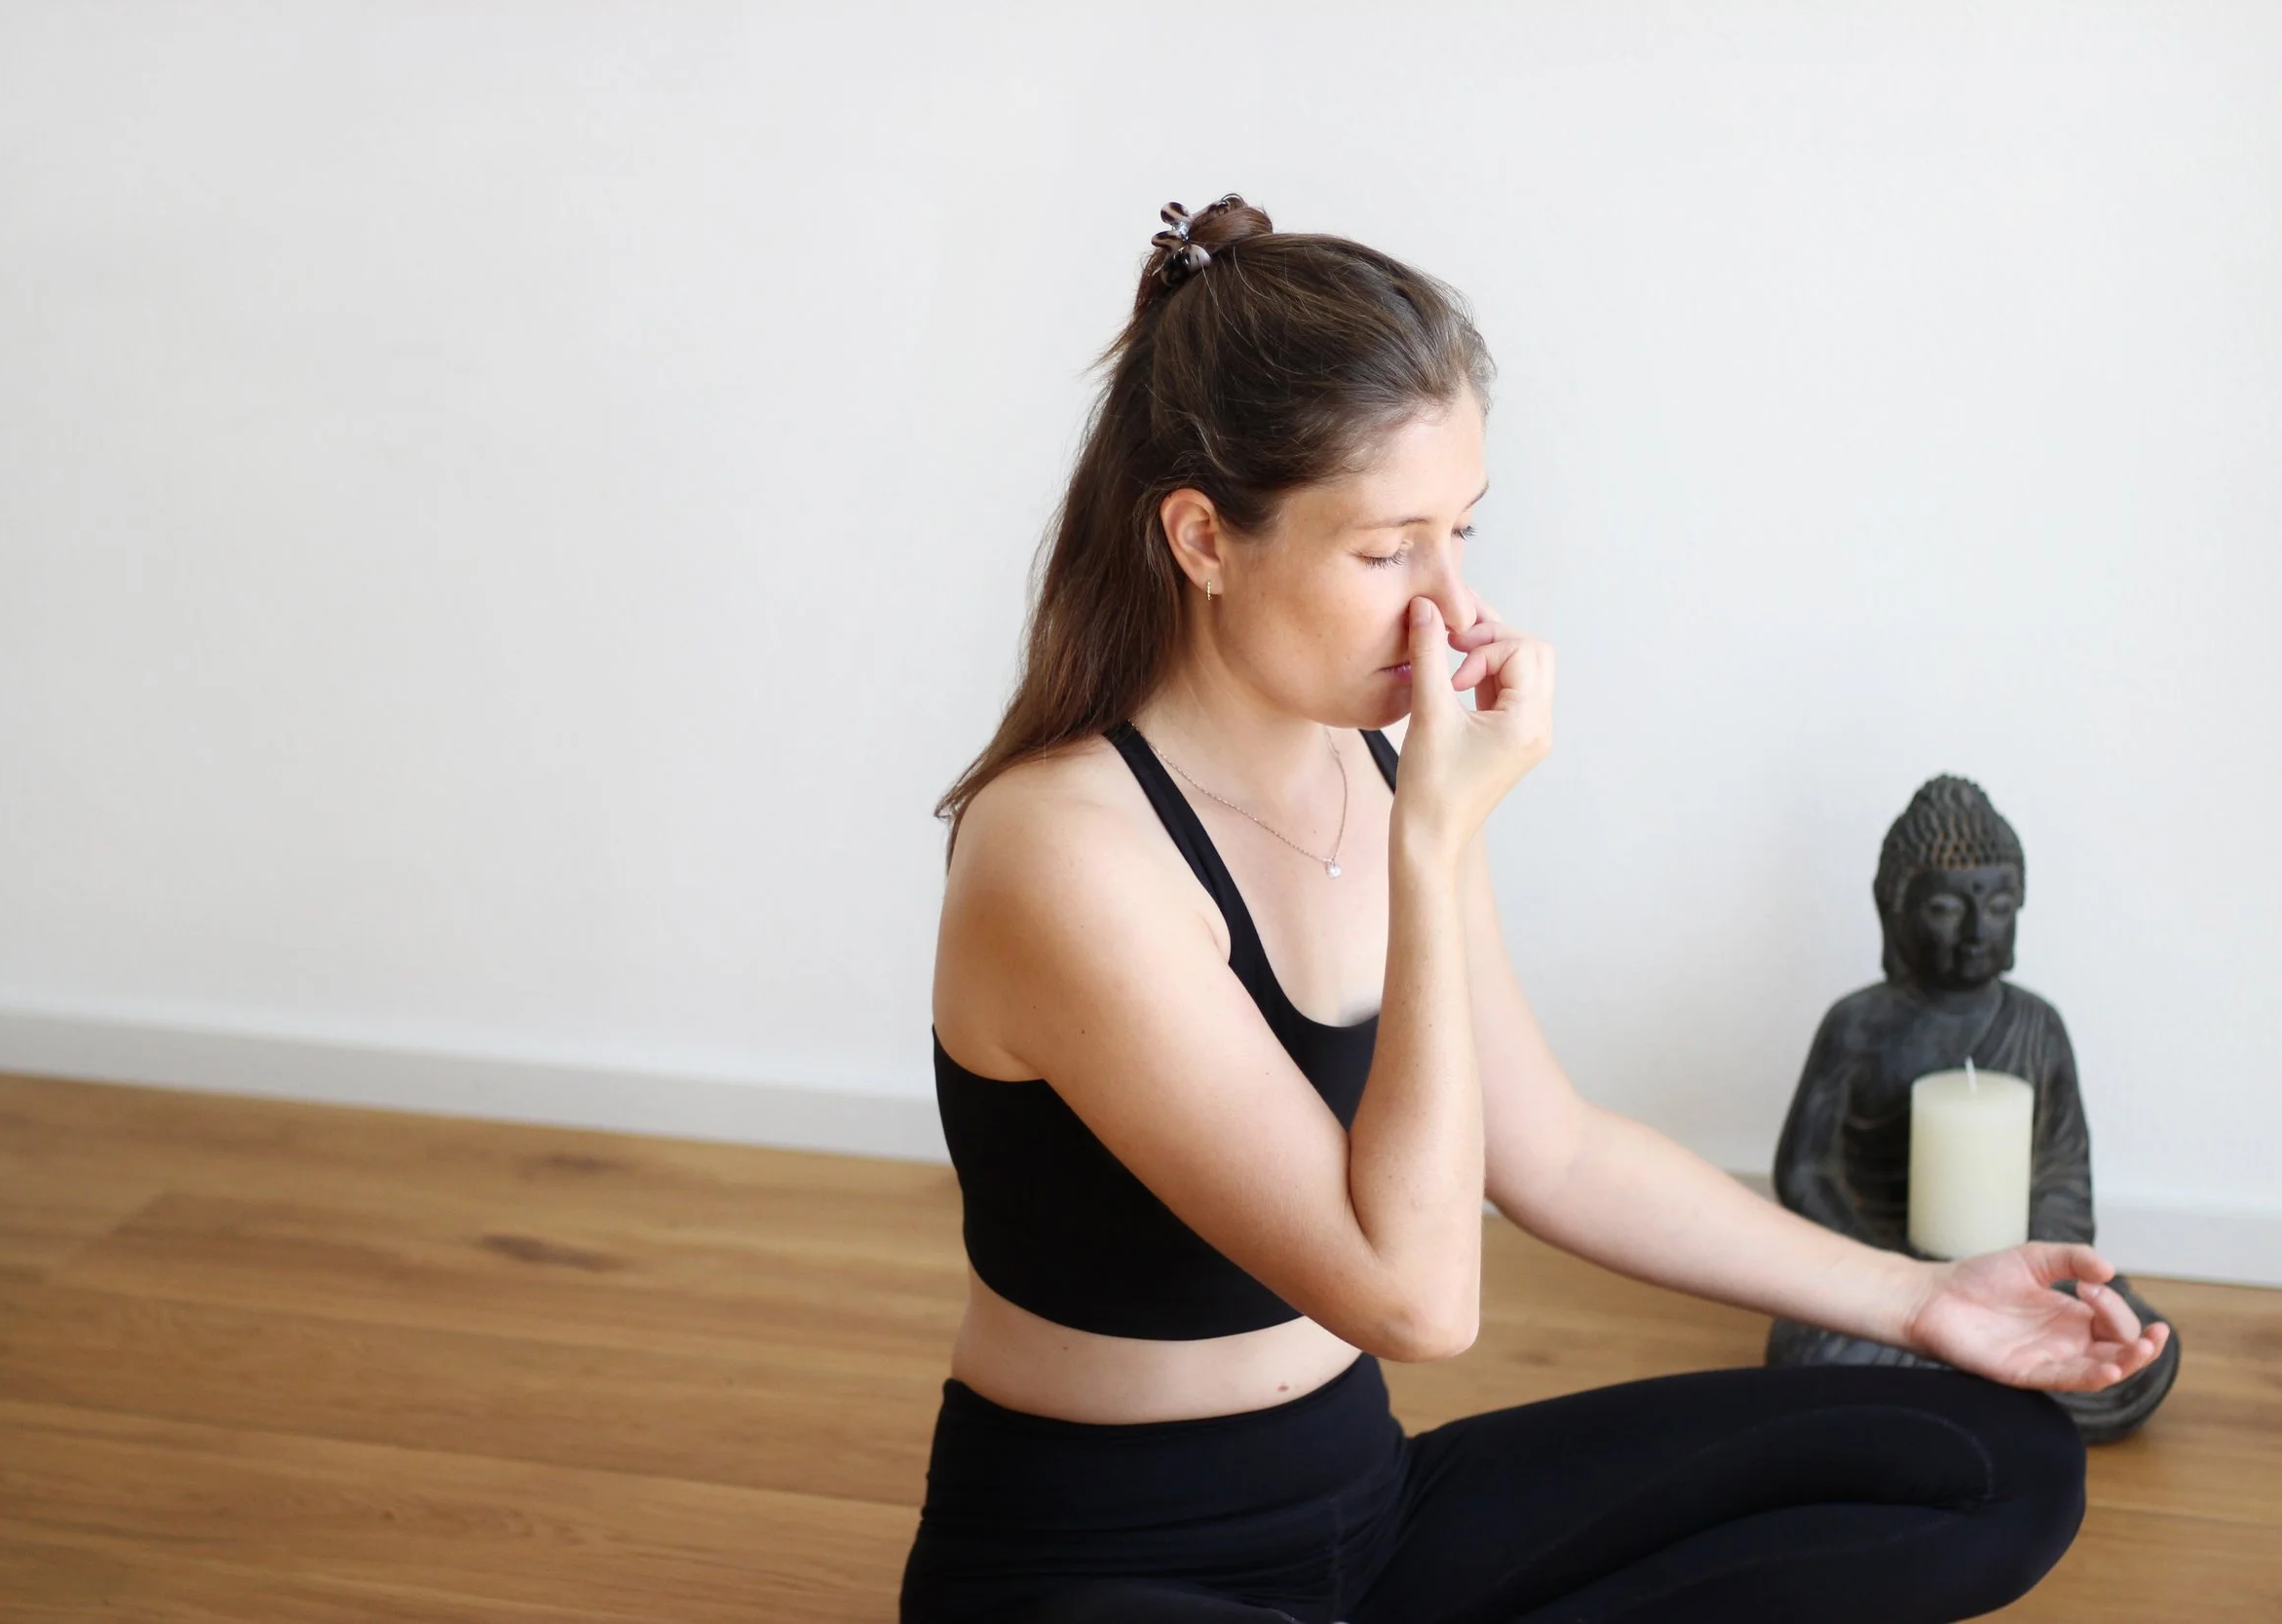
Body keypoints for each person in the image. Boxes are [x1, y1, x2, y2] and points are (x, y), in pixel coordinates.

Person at [901, 195, 2170, 1624]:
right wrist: (1435, 840)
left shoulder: (1373, 768)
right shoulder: (1064, 852)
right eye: (1388, 550)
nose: (1453, 608)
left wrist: (1916, 1299)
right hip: (1104, 1564)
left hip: (1372, 1512)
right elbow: (1417, 1301)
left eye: (1461, 532)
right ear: (1202, 536)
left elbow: (1551, 1151)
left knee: (1996, 1463)